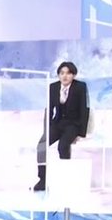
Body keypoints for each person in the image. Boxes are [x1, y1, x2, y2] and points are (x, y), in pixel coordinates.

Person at [32, 61, 89, 191]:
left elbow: (84, 110)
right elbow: (49, 109)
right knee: (41, 146)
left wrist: (81, 133)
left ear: (73, 75)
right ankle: (42, 180)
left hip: (73, 124)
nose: (65, 76)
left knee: (63, 146)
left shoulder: (80, 87)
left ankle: (65, 178)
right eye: (62, 73)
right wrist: (47, 130)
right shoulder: (53, 87)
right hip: (57, 123)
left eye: (68, 73)